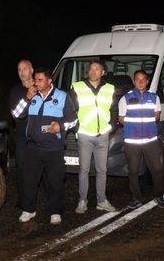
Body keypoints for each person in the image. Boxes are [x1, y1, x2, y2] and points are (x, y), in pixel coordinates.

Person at [12, 67, 78, 225]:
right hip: (33, 148)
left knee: (55, 182)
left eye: (40, 80)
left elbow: (74, 120)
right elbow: (16, 114)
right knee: (29, 181)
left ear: (49, 81)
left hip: (53, 149)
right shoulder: (31, 95)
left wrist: (61, 126)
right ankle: (29, 210)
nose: (37, 83)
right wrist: (27, 98)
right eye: (35, 79)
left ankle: (55, 211)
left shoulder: (62, 97)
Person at [70, 60, 118, 214]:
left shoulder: (110, 89)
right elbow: (70, 111)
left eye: (97, 69)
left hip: (103, 135)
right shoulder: (78, 87)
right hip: (84, 135)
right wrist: (77, 128)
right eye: (91, 68)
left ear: (103, 73)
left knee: (102, 170)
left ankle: (102, 200)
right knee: (84, 170)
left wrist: (111, 128)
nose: (93, 71)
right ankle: (82, 200)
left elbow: (114, 110)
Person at [118, 70, 164, 209]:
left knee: (157, 169)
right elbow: (121, 119)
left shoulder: (154, 97)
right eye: (137, 79)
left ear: (147, 81)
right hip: (132, 142)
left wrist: (137, 119)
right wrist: (137, 121)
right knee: (133, 171)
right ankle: (136, 198)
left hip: (150, 140)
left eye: (143, 79)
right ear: (133, 81)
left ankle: (159, 195)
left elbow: (157, 116)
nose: (140, 82)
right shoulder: (125, 98)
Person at [8, 59, 34, 207]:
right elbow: (16, 115)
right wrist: (27, 97)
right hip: (22, 136)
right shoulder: (16, 91)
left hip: (40, 136)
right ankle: (23, 200)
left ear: (31, 70)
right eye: (19, 70)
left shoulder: (41, 86)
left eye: (25, 69)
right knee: (22, 168)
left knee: (43, 168)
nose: (22, 72)